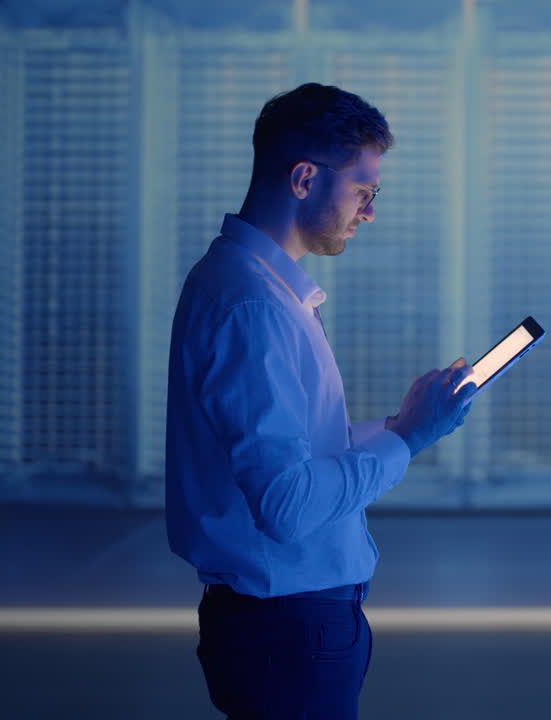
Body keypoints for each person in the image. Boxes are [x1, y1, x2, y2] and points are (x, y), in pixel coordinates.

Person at [164, 82, 476, 719]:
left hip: (283, 628)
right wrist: (407, 440)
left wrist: (396, 425)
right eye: (364, 191)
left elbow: (288, 453)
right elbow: (285, 504)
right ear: (305, 178)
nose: (369, 212)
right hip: (289, 633)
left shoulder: (251, 288)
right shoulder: (253, 306)